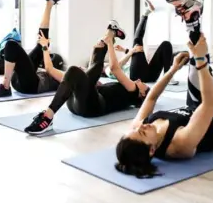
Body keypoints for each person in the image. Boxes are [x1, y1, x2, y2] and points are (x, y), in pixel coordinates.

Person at [114, 0, 213, 178]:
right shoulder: (179, 144)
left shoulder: (139, 129)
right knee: (197, 66)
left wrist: (173, 69)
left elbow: (151, 97)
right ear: (152, 150)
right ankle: (192, 20)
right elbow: (210, 102)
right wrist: (200, 58)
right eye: (142, 133)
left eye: (135, 130)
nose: (140, 127)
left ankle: (192, 21)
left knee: (195, 70)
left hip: (193, 109)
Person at [23, 20, 151, 135]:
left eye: (143, 84)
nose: (139, 80)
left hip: (92, 107)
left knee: (75, 70)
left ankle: (47, 116)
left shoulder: (134, 92)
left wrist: (110, 44)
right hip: (77, 104)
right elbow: (52, 70)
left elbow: (114, 68)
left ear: (142, 94)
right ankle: (109, 35)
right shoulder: (129, 91)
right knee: (77, 71)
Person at [0, 0, 67, 97]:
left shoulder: (71, 78)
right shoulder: (74, 74)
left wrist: (45, 47)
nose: (81, 67)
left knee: (12, 45)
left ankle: (5, 87)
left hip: (31, 86)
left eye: (83, 69)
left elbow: (49, 69)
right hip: (22, 80)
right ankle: (50, 2)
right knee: (42, 42)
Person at [104, 0, 173, 83]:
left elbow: (134, 56)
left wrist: (125, 50)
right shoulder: (107, 70)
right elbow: (114, 68)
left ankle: (168, 76)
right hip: (137, 78)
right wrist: (131, 52)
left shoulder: (113, 64)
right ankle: (146, 13)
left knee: (166, 44)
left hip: (150, 75)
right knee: (137, 41)